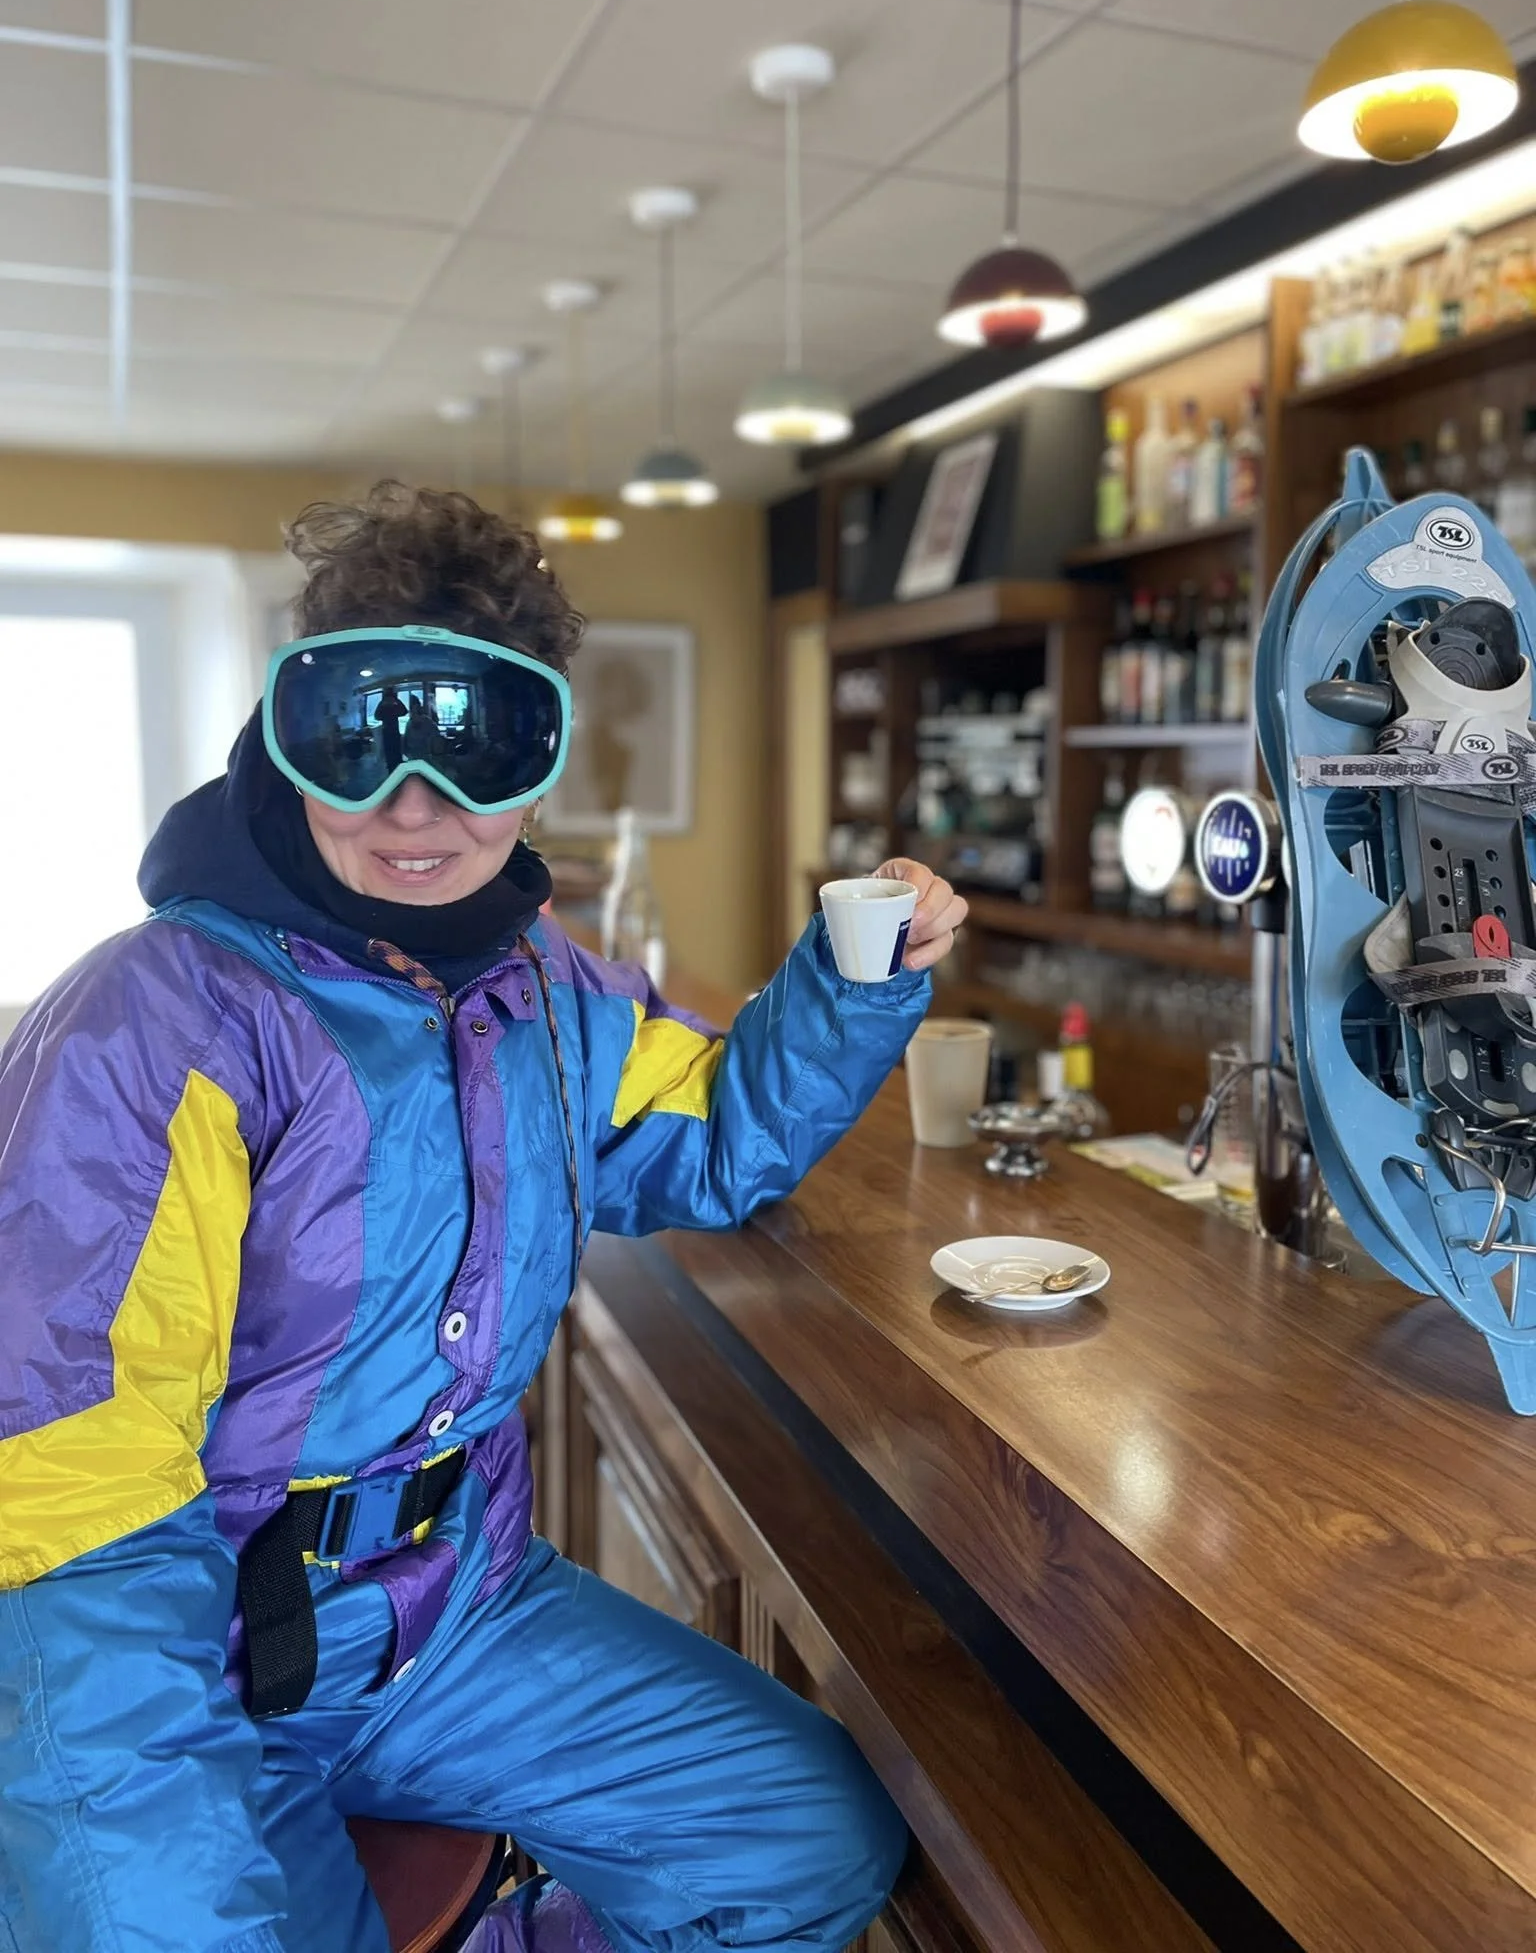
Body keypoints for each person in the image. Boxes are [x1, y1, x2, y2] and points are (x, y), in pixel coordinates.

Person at [0, 483, 967, 1953]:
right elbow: (73, 1508)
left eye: (477, 751)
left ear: (538, 766)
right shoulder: (155, 1024)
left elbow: (704, 1141)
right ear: (289, 733)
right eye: (359, 740)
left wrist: (852, 979)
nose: (414, 810)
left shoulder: (544, 988)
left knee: (801, 1839)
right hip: (187, 1654)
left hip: (462, 1615)